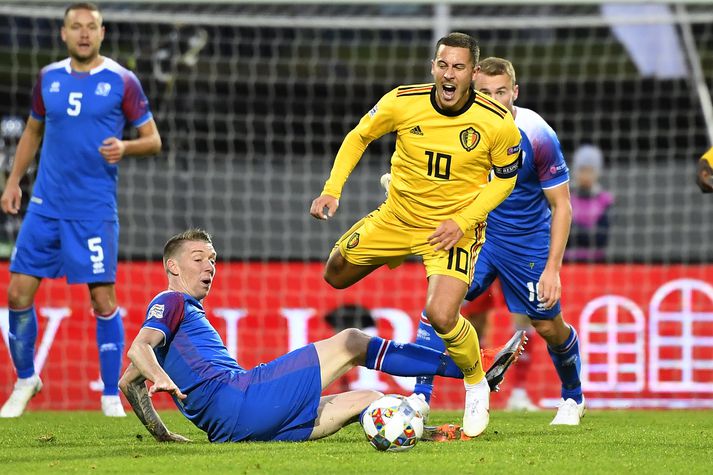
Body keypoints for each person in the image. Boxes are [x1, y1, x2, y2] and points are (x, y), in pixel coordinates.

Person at [309, 32, 523, 437]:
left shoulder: (496, 123)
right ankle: (394, 250)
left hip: (453, 229)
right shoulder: (402, 101)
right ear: (433, 66)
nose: (449, 74)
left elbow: (504, 181)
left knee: (442, 315)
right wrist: (332, 189)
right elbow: (359, 136)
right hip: (399, 217)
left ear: (473, 73)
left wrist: (463, 221)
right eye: (442, 64)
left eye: (458, 67)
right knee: (334, 274)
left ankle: (476, 383)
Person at [118, 229, 523, 443]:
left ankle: (432, 433)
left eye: (213, 259)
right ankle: (474, 367)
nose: (210, 267)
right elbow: (139, 350)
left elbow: (127, 383)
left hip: (234, 429)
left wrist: (164, 433)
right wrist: (158, 374)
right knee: (350, 341)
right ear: (171, 266)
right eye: (198, 259)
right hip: (241, 397)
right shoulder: (169, 302)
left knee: (370, 400)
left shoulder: (182, 318)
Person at [391, 57, 585, 425]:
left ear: (515, 92)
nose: (494, 100)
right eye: (484, 92)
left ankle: (573, 396)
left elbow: (562, 206)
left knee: (546, 325)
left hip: (525, 241)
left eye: (501, 92)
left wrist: (553, 270)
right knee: (439, 307)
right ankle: (419, 397)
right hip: (476, 235)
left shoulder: (538, 134)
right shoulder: (456, 124)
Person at [0, 2, 162, 418]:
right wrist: (14, 181)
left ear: (102, 33)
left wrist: (125, 146)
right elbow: (33, 130)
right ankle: (25, 380)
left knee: (103, 299)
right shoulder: (48, 78)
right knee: (17, 292)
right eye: (76, 26)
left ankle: (111, 393)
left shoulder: (122, 80)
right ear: (64, 33)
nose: (84, 33)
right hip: (45, 206)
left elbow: (153, 139)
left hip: (92, 209)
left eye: (91, 27)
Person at [565, 144, 614, 262]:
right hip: (567, 262)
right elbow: (561, 237)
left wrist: (574, 230)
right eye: (582, 169)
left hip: (596, 262)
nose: (586, 175)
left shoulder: (605, 200)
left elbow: (600, 239)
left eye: (590, 170)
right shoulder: (566, 198)